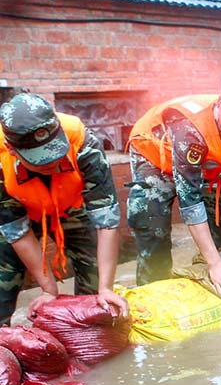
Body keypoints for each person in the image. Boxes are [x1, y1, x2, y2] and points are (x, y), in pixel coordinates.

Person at [126, 73, 221, 302]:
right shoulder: (190, 131)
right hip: (154, 155)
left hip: (201, 164)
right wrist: (214, 263)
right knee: (153, 224)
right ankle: (153, 295)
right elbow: (190, 201)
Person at [0, 93, 128, 324]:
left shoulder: (82, 141)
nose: (52, 163)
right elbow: (17, 232)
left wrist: (106, 288)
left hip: (72, 206)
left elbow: (106, 220)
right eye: (41, 160)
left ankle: (83, 326)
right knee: (3, 275)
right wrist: (49, 289)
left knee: (94, 283)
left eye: (56, 153)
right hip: (23, 209)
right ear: (11, 148)